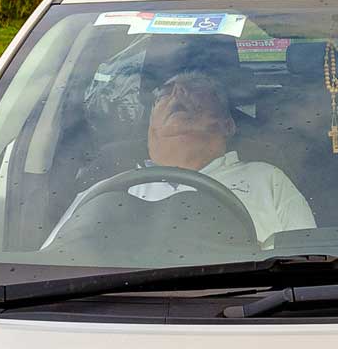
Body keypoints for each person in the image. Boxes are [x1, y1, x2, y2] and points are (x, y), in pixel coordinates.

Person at [50, 69, 314, 245]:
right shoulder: (107, 190)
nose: (177, 94)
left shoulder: (267, 181)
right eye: (165, 92)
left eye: (195, 87)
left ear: (227, 124)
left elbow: (306, 269)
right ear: (150, 123)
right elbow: (54, 263)